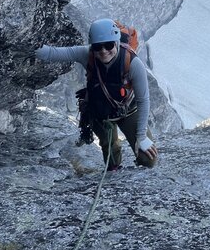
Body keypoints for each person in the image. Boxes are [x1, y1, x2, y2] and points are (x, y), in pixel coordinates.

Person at [35, 18, 158, 170]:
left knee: (148, 160)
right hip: (100, 112)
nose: (103, 51)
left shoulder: (133, 63)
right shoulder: (87, 54)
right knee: (111, 157)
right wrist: (27, 43)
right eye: (98, 47)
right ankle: (114, 171)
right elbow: (51, 54)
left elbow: (143, 100)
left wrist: (141, 136)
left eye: (108, 45)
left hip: (129, 110)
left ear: (117, 42)